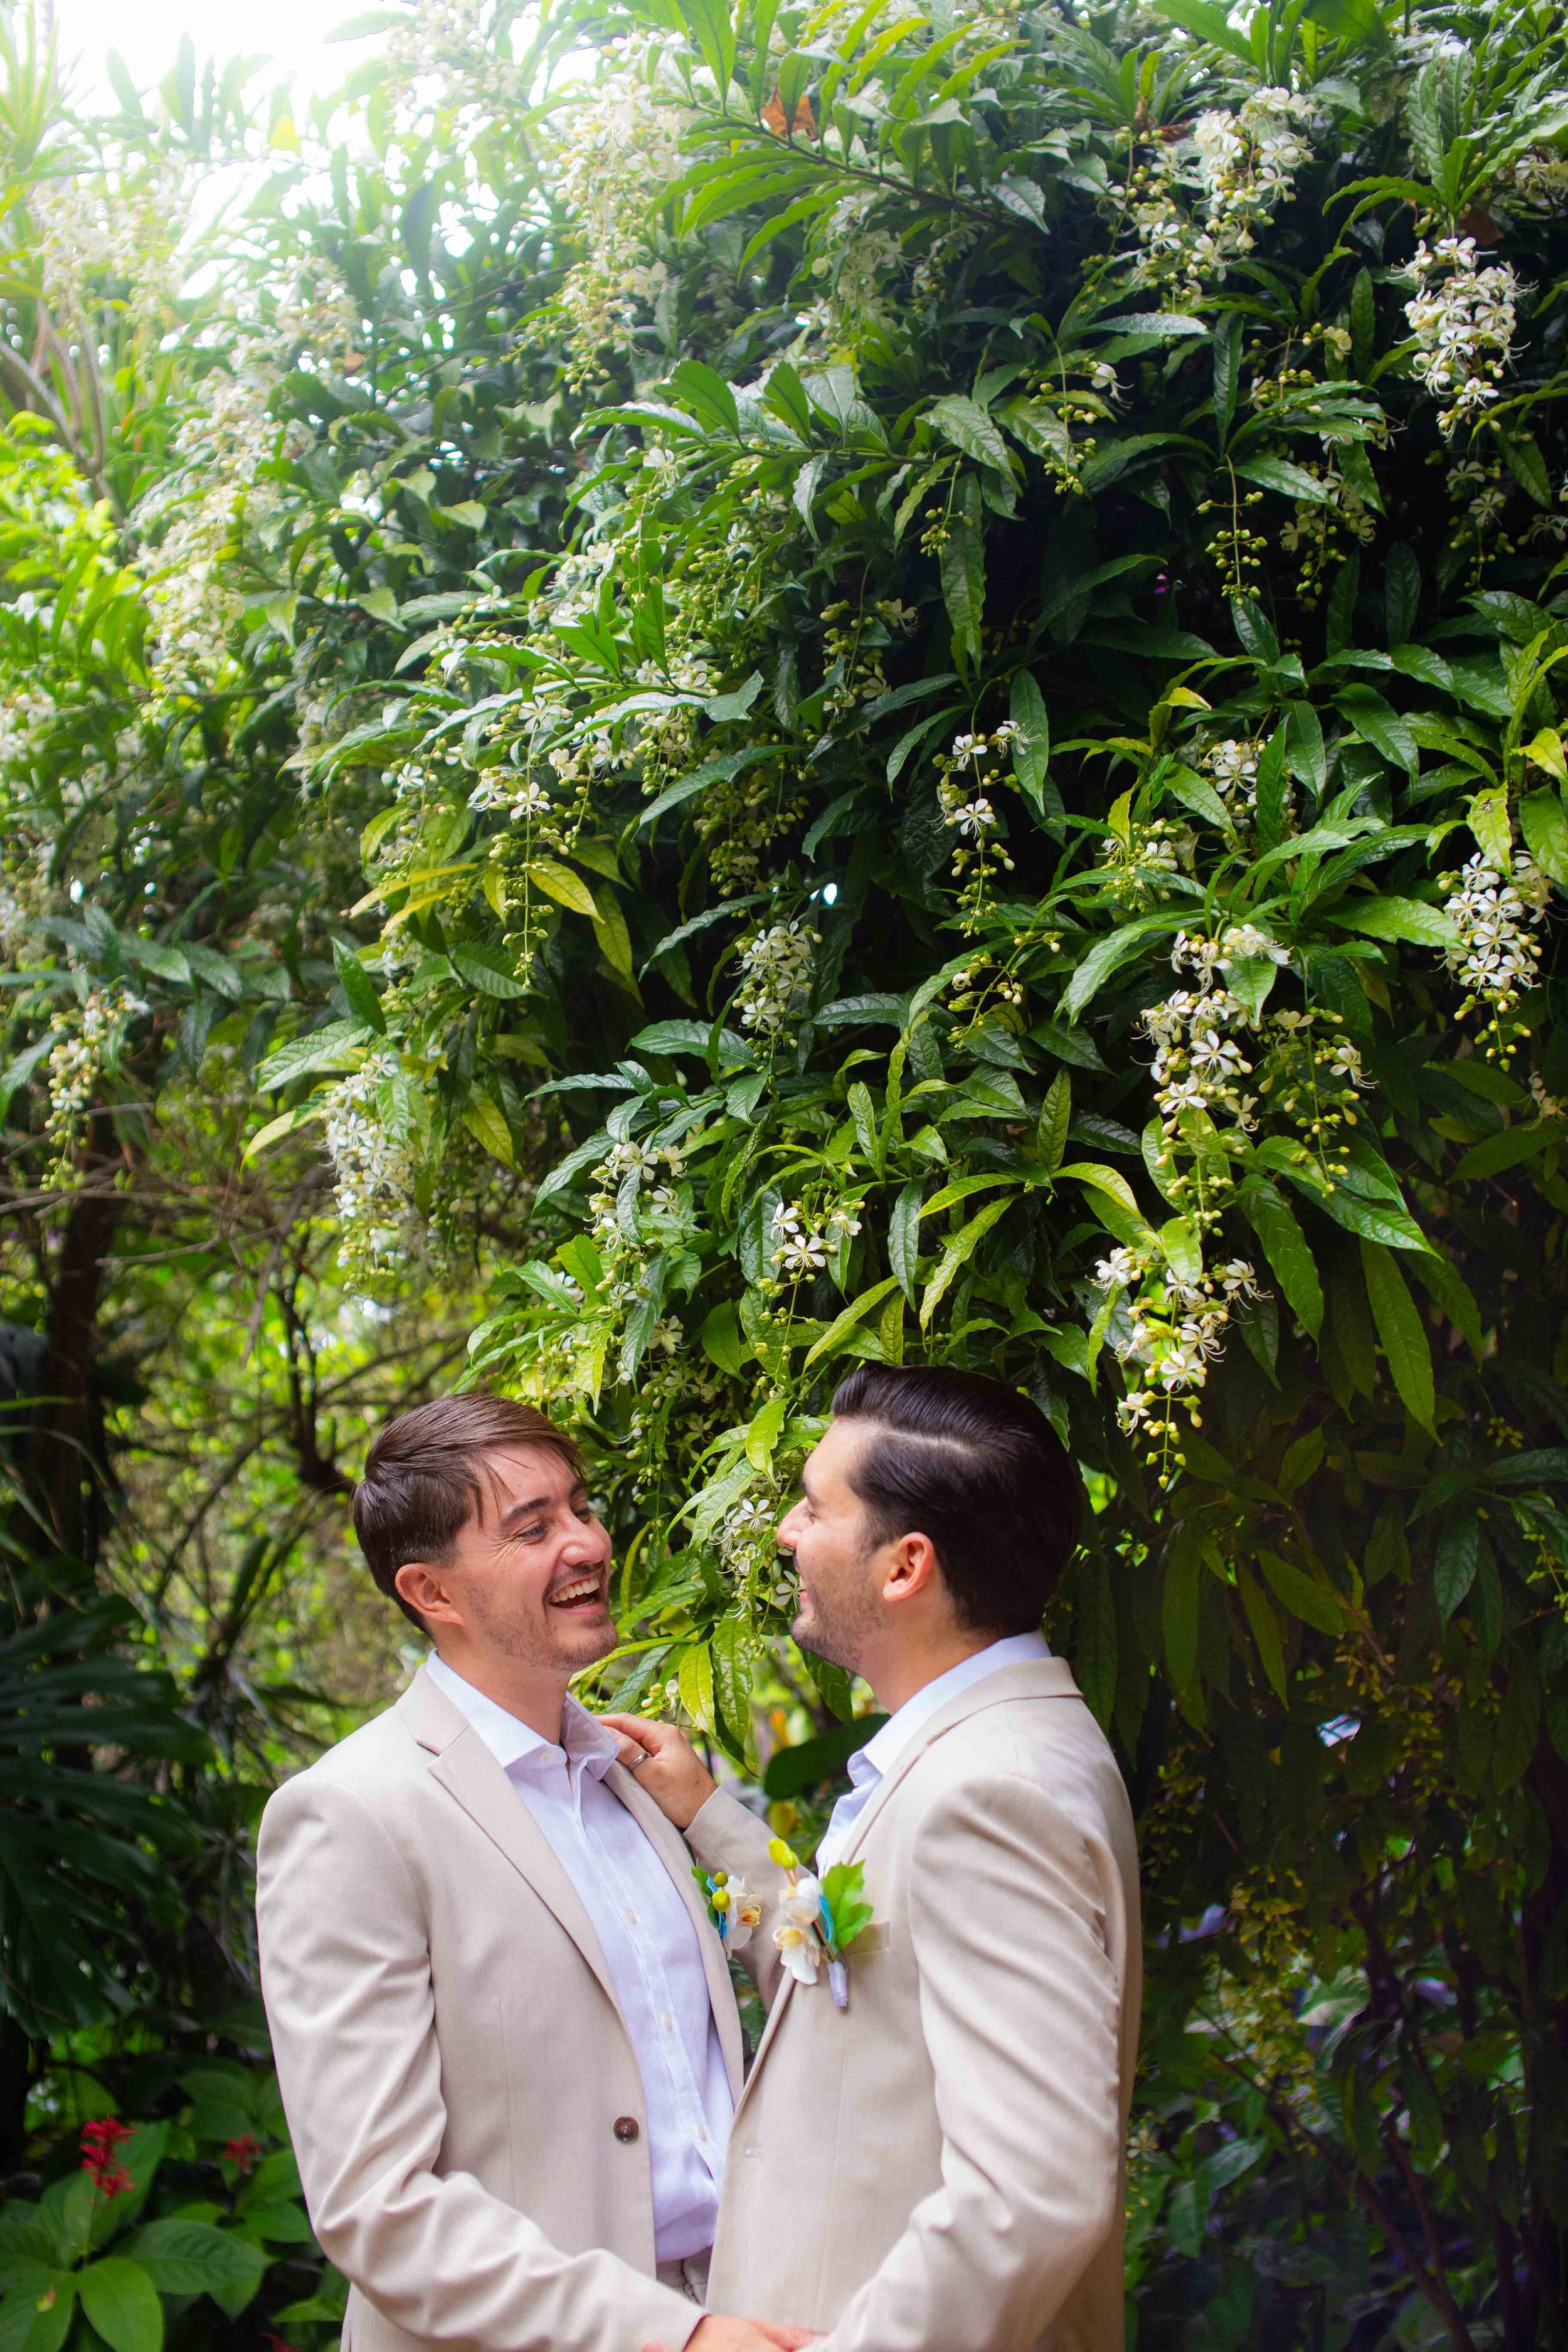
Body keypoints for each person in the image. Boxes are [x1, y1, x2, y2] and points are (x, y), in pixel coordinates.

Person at [255, 1392, 808, 2352]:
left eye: (580, 1507)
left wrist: (712, 1820)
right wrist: (665, 2337)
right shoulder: (350, 1813)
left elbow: (825, 1984)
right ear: (431, 1592)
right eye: (533, 1527)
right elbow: (377, 2206)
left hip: (744, 2304)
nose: (588, 1543)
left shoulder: (639, 1781)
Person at [610, 1364, 1142, 2352]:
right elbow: (863, 1998)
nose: (785, 1532)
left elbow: (1036, 2191)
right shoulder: (985, 1752)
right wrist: (708, 1820)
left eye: (815, 1507)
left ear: (904, 1566)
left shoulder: (992, 1796)